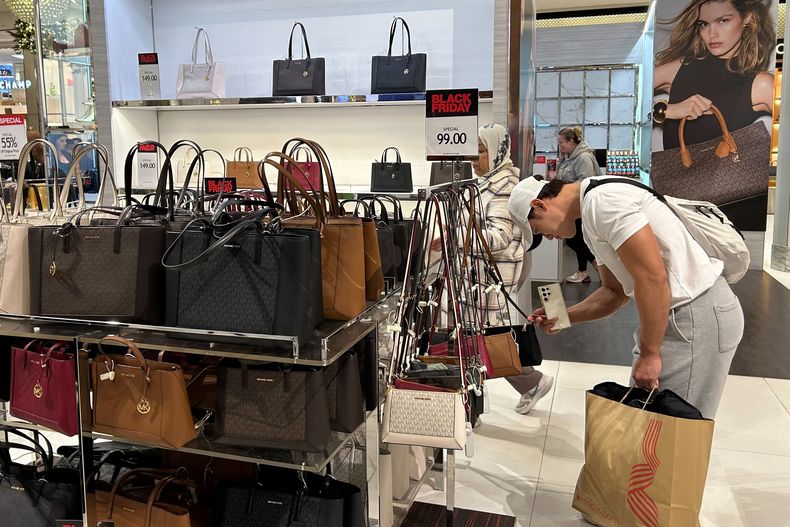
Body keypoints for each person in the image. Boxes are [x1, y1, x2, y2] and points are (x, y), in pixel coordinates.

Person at [508, 175, 744, 419]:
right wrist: (562, 316)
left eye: (537, 229)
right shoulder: (592, 210)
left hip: (694, 316)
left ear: (540, 205)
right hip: (679, 317)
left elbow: (652, 277)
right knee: (652, 431)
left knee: (673, 433)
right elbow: (614, 292)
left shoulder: (603, 201)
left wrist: (650, 354)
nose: (546, 237)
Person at [433, 123, 553, 415]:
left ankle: (525, 384)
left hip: (487, 278)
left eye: (482, 151)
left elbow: (498, 237)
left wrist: (455, 238)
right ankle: (515, 387)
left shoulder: (503, 187)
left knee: (476, 343)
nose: (475, 158)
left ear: (498, 151)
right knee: (476, 341)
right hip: (477, 276)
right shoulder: (488, 181)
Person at [653, 0, 775, 150]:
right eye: (703, 24)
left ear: (747, 18)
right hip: (669, 173)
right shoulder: (679, 69)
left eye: (723, 21)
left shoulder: (760, 84)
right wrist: (667, 110)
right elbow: (619, 98)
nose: (712, 34)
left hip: (729, 173)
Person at [556, 127, 598, 284]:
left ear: (571, 141)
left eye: (561, 143)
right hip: (573, 204)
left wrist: (566, 188)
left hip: (581, 204)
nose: (560, 146)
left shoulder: (583, 158)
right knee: (578, 238)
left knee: (575, 238)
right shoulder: (570, 157)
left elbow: (585, 182)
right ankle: (584, 270)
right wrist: (561, 158)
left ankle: (593, 264)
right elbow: (560, 175)